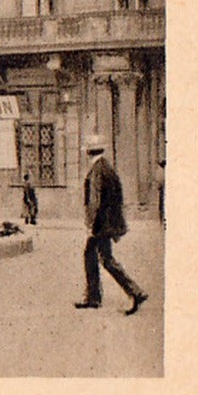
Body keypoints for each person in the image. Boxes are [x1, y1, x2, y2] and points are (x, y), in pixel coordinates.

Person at [76, 134, 149, 315]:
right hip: (107, 223)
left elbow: (95, 200)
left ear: (89, 152)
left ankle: (134, 291)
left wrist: (91, 225)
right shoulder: (106, 167)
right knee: (92, 255)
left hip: (101, 224)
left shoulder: (97, 171)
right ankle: (94, 296)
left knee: (104, 259)